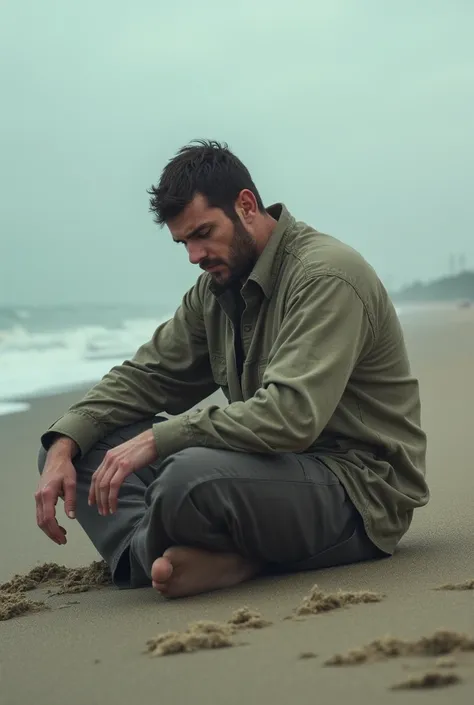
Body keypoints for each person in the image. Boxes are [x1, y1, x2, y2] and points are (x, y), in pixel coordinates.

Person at [36, 140, 429, 599]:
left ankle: (203, 552)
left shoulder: (326, 276)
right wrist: (65, 442)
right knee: (77, 450)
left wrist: (157, 440)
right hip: (263, 474)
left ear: (246, 205)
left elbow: (290, 417)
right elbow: (145, 376)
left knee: (185, 479)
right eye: (184, 242)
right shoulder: (214, 289)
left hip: (356, 488)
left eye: (204, 232)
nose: (194, 255)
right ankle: (190, 553)